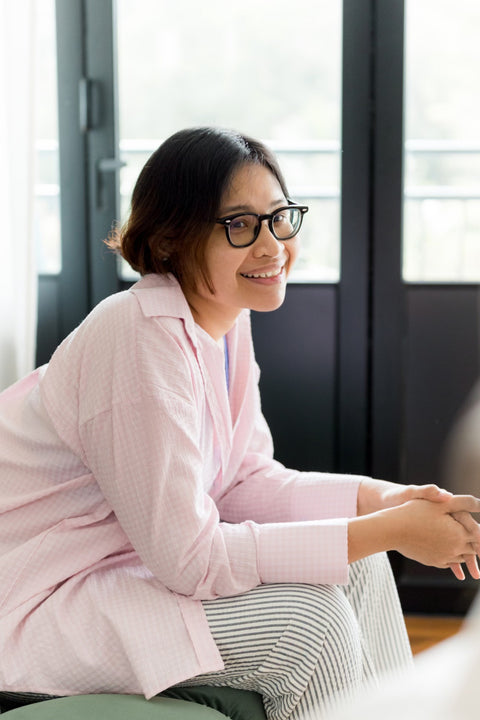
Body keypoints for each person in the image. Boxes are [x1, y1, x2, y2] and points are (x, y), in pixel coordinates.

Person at [0, 126, 479, 720]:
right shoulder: (137, 334)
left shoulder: (223, 320)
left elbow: (245, 481)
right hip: (36, 600)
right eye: (239, 226)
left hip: (118, 568)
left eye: (280, 217)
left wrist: (389, 503)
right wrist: (391, 529)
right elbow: (191, 558)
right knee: (311, 625)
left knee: (363, 568)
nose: (272, 244)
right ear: (173, 238)